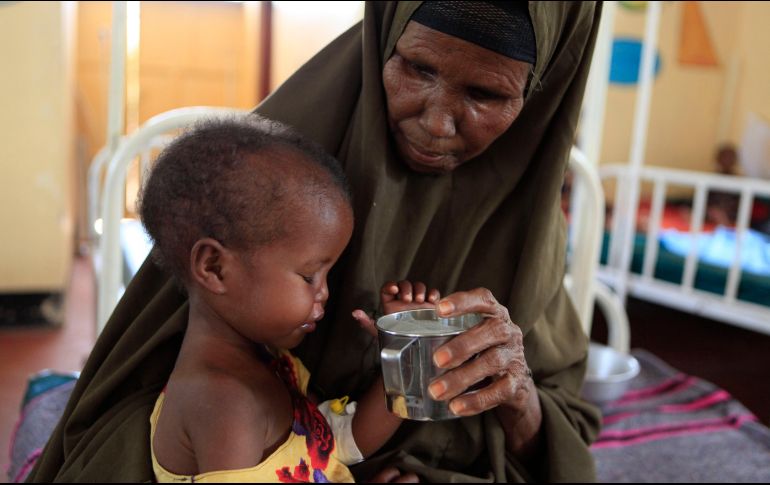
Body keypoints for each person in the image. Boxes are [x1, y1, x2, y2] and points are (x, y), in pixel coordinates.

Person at [28, 2, 604, 482]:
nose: (437, 120)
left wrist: (516, 400)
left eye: (486, 94)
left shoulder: (527, 228)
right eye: (417, 68)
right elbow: (136, 410)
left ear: (541, 95)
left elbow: (340, 436)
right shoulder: (274, 186)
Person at [137, 115, 437, 482]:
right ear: (214, 267)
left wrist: (408, 357)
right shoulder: (224, 403)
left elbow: (332, 446)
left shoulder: (271, 363)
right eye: (310, 276)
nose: (325, 293)